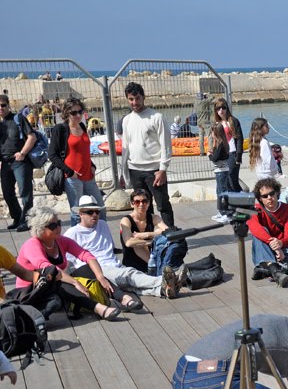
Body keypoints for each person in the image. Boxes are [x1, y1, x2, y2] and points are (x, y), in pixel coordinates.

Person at [63, 195, 180, 306]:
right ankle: (166, 281)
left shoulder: (103, 225)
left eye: (97, 212)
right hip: (97, 270)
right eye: (89, 212)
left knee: (131, 285)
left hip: (114, 264)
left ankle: (161, 290)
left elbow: (110, 249)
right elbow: (69, 263)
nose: (94, 215)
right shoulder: (72, 234)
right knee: (129, 275)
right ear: (80, 214)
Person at [12, 207, 122, 321]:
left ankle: (122, 297)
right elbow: (49, 269)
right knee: (58, 281)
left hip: (51, 285)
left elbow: (85, 254)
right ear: (40, 229)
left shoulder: (60, 240)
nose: (58, 227)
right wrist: (75, 282)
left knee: (89, 269)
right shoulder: (32, 245)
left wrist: (100, 276)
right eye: (52, 226)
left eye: (58, 223)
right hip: (32, 291)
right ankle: (97, 307)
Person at [121, 83, 174, 227]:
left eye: (137, 98)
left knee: (163, 205)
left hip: (154, 171)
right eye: (131, 99)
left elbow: (166, 144)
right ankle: (149, 237)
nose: (134, 102)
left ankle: (171, 236)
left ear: (143, 97)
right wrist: (123, 172)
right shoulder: (126, 120)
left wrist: (162, 169)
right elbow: (126, 147)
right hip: (135, 170)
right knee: (143, 207)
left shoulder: (156, 117)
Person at [47, 97, 105, 226]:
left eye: (80, 111)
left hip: (88, 175)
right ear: (66, 114)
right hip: (73, 177)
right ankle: (75, 243)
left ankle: (102, 240)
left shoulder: (83, 126)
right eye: (74, 113)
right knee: (77, 212)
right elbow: (52, 154)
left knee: (99, 208)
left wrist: (93, 166)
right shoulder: (60, 129)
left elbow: (84, 151)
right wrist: (69, 171)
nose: (78, 115)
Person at [0, 93, 37, 232]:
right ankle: (17, 218)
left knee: (25, 192)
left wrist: (22, 153)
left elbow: (31, 137)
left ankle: (27, 220)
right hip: (5, 163)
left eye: (3, 105)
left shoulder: (18, 118)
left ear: (8, 105)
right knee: (7, 193)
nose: (1, 108)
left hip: (20, 161)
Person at [119, 189, 180, 274]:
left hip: (150, 262)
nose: (141, 204)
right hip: (132, 265)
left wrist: (147, 234)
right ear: (132, 204)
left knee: (164, 235)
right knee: (136, 243)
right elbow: (128, 242)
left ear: (148, 203)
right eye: (137, 202)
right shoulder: (126, 220)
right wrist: (152, 241)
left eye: (144, 201)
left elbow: (169, 231)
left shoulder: (153, 218)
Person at [212, 98, 243, 193]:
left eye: (223, 107)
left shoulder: (233, 121)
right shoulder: (216, 123)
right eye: (218, 108)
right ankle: (231, 202)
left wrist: (238, 156)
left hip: (233, 153)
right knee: (224, 180)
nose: (221, 110)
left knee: (232, 178)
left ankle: (241, 199)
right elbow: (215, 141)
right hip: (222, 155)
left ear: (227, 108)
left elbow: (239, 138)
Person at [207, 124, 234, 223]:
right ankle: (222, 212)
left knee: (222, 193)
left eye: (213, 133)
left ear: (217, 133)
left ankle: (227, 213)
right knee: (219, 192)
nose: (212, 135)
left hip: (221, 171)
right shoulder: (223, 143)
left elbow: (215, 158)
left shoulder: (221, 144)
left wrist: (209, 155)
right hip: (221, 170)